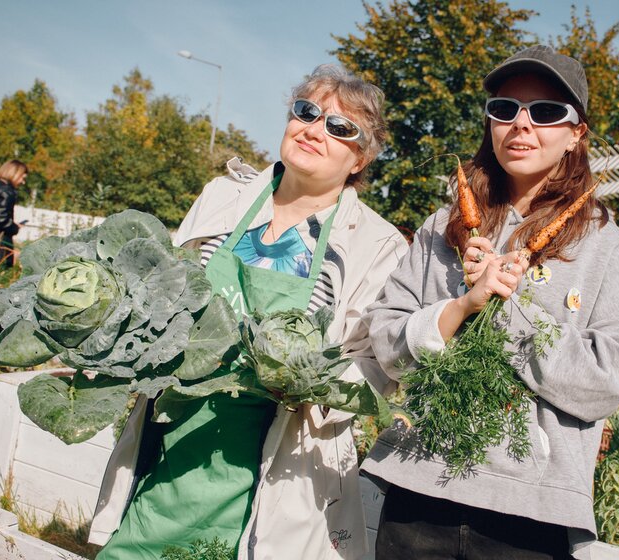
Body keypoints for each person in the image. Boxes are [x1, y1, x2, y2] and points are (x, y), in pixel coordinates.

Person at [89, 65, 408, 559]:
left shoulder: (375, 242)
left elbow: (373, 363)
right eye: (307, 112)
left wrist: (309, 382)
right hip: (173, 434)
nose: (314, 129)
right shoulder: (224, 199)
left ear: (360, 157)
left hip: (279, 455)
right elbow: (165, 292)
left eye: (340, 127)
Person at [360, 45, 619, 560]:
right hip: (418, 486)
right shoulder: (443, 226)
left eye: (545, 112)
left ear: (575, 134)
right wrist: (461, 308)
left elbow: (606, 381)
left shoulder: (604, 245)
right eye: (505, 109)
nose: (521, 125)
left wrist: (508, 311)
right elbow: (386, 341)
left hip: (531, 513)